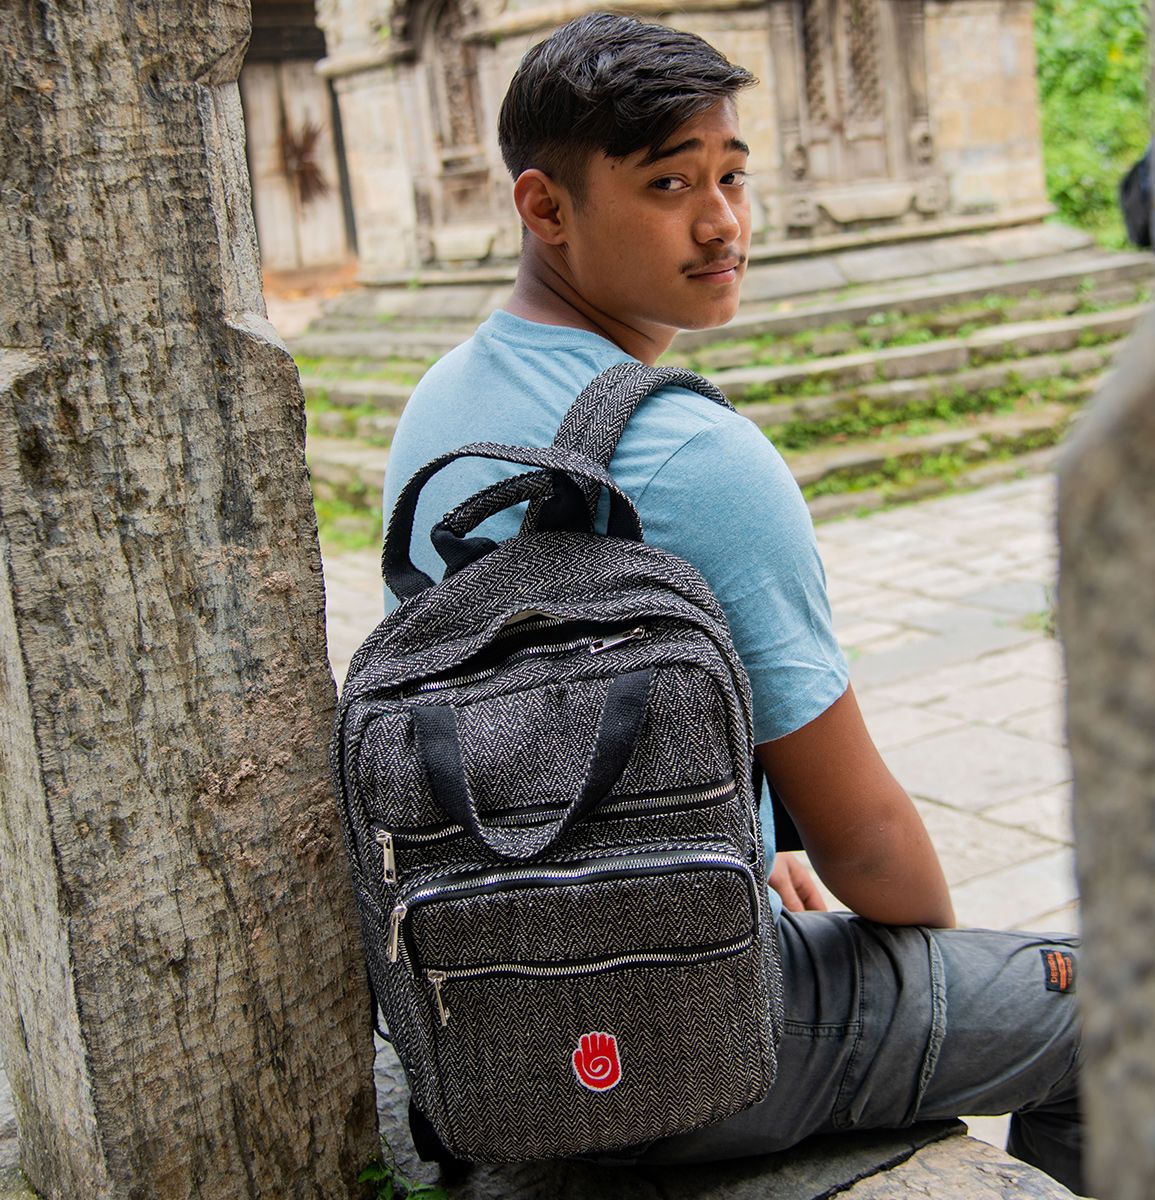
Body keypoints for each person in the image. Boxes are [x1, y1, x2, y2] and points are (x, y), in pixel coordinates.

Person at [382, 13, 1084, 1194]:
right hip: (684, 1045)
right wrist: (934, 981)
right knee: (1124, 1004)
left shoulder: (439, 411)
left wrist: (742, 852)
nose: (722, 223)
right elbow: (866, 842)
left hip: (492, 1022)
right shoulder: (692, 456)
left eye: (732, 177)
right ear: (545, 207)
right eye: (670, 184)